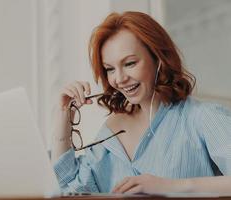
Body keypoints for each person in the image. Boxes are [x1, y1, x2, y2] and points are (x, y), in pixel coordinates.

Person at [51, 11, 231, 194]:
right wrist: (63, 115)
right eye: (110, 69)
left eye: (130, 63)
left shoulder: (201, 118)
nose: (119, 79)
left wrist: (168, 187)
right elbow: (69, 190)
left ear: (158, 59)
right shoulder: (110, 134)